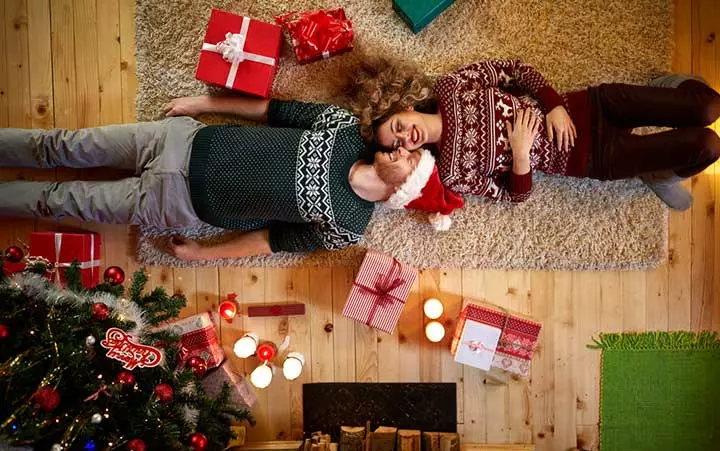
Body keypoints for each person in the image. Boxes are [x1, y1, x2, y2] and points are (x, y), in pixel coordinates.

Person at [0, 95, 463, 260]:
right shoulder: (341, 126)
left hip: (176, 203)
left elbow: (269, 242)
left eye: (411, 158)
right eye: (409, 146)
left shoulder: (348, 226)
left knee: (58, 201)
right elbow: (271, 110)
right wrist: (201, 104)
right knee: (60, 145)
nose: (404, 146)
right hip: (176, 141)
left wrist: (203, 254)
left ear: (404, 189)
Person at [346, 57, 720, 210]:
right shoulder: (452, 172)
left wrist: (554, 104)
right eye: (395, 145)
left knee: (707, 107)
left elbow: (512, 68)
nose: (405, 137)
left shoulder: (450, 89)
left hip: (592, 106)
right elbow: (513, 196)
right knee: (707, 146)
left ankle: (671, 91)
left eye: (397, 126)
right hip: (591, 157)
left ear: (406, 107)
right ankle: (659, 172)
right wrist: (521, 156)